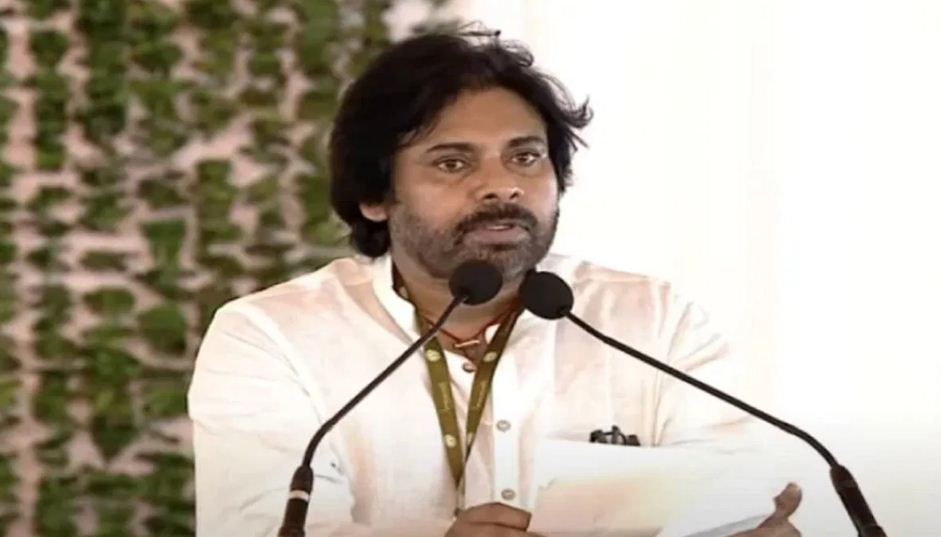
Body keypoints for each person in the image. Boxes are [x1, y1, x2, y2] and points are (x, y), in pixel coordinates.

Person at [187, 31, 801, 537]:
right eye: (452, 162)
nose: (501, 186)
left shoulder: (655, 321)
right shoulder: (272, 336)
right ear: (375, 195)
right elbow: (266, 528)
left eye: (525, 157)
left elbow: (727, 498)